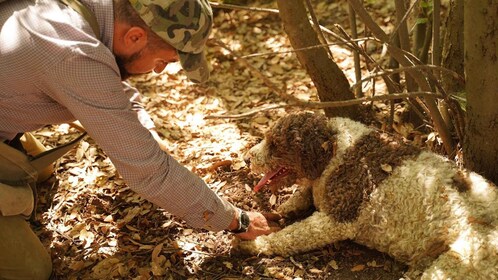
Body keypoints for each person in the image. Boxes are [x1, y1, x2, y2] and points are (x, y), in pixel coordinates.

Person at [0, 0, 275, 279]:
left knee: (41, 171)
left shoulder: (91, 13)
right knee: (29, 270)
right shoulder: (72, 53)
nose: (158, 71)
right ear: (134, 37)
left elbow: (113, 87)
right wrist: (235, 220)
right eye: (163, 62)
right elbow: (148, 173)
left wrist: (147, 137)